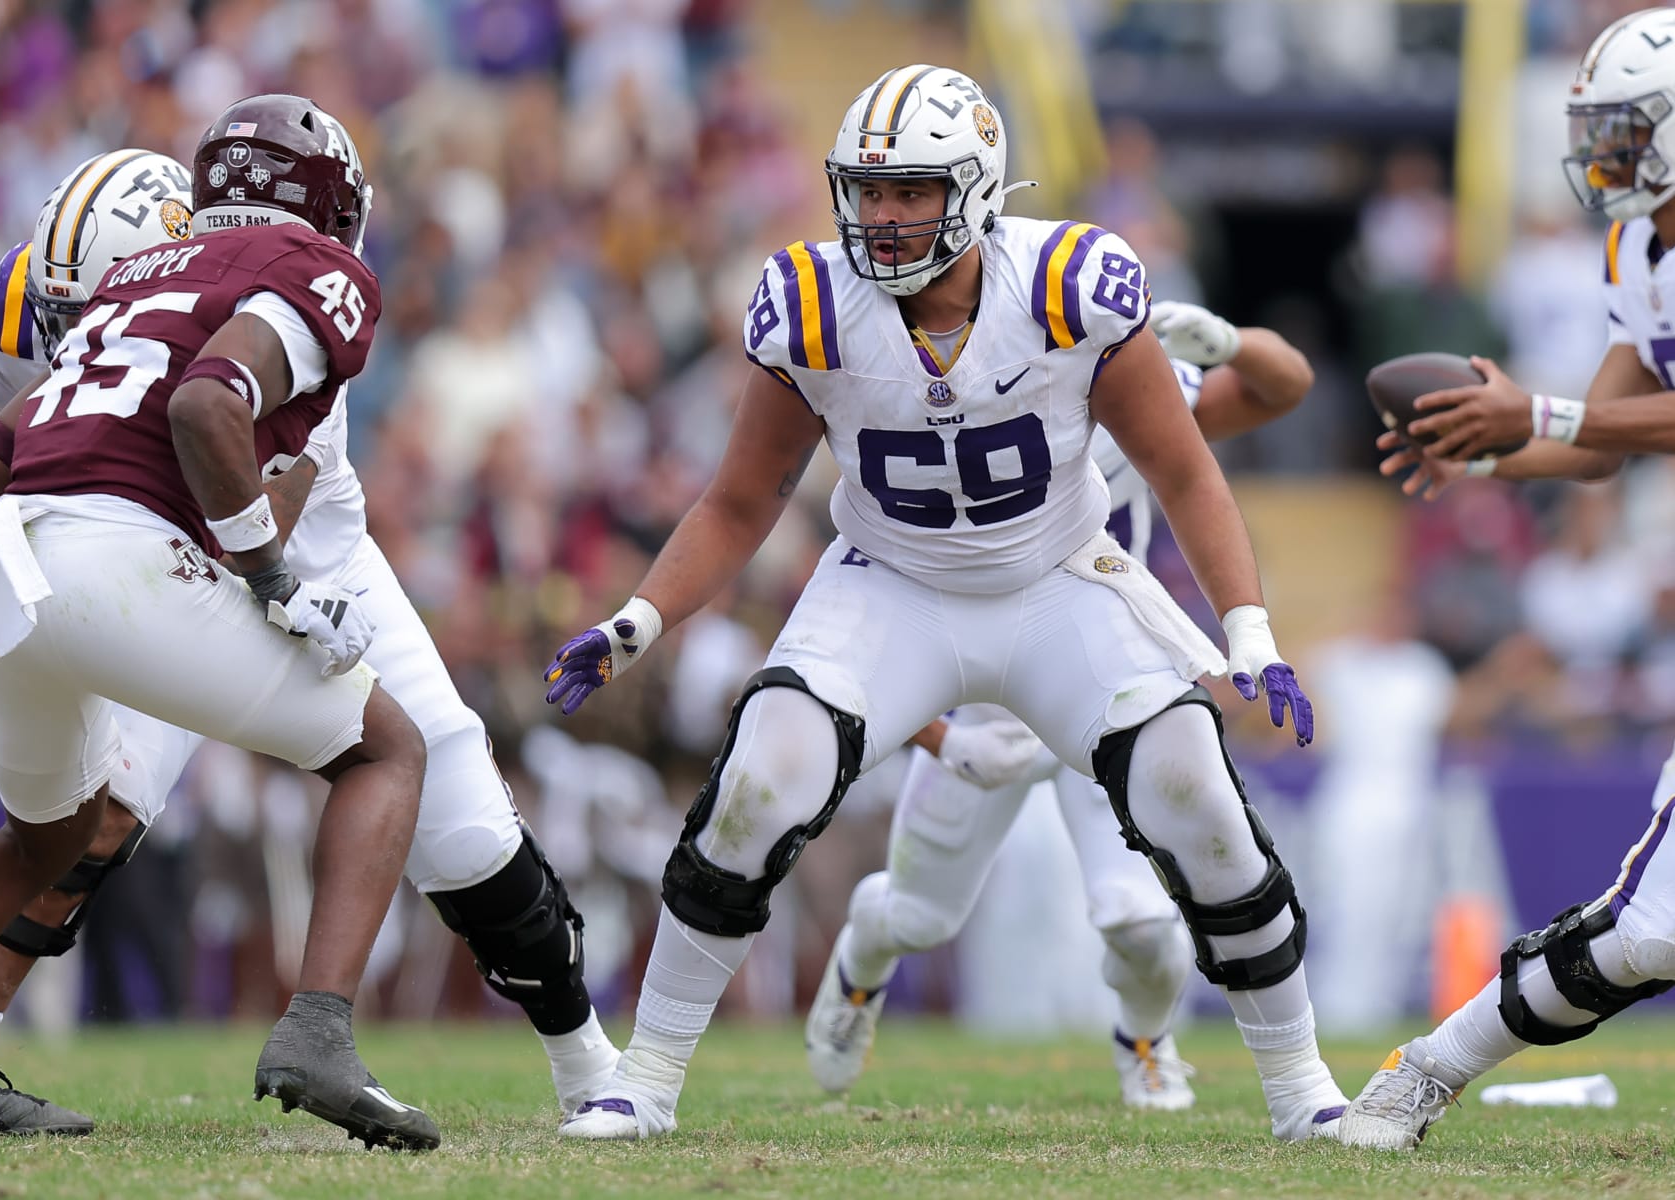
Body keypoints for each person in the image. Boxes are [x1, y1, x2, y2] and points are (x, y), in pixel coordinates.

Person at [544, 64, 1344, 1143]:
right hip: (895, 584)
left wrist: (1246, 633)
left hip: (1061, 577)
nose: (882, 216)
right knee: (759, 780)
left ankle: (1303, 1097)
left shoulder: (1067, 286)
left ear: (974, 187)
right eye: (867, 191)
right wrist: (637, 619)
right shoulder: (813, 303)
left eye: (911, 191)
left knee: (1194, 794)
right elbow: (740, 502)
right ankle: (644, 1084)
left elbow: (1189, 471)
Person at [0, 146, 617, 1134]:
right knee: (97, 813)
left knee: (459, 816)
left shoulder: (272, 298)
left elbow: (250, 494)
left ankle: (588, 1064)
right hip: (135, 552)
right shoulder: (46, 281)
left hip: (281, 548)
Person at [0, 94, 443, 1152]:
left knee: (38, 837)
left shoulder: (135, 273)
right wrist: (267, 576)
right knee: (387, 750)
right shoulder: (321, 272)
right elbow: (205, 403)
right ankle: (318, 1030)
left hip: (3, 569)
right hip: (118, 560)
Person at [807, 299, 1314, 1111]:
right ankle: (860, 967)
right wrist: (935, 734)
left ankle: (1145, 1040)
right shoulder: (937, 401)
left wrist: (1227, 337)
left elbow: (1285, 387)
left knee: (1141, 922)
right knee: (918, 916)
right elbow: (870, 599)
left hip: (1101, 686)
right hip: (979, 699)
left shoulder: (1128, 383)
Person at [1339, 8, 1675, 1148]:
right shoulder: (1638, 243)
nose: (1606, 153)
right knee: (1651, 939)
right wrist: (1490, 438)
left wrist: (1538, 409)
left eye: (1630, 128)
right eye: (1602, 128)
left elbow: (1589, 417)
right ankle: (1429, 1069)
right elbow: (1600, 442)